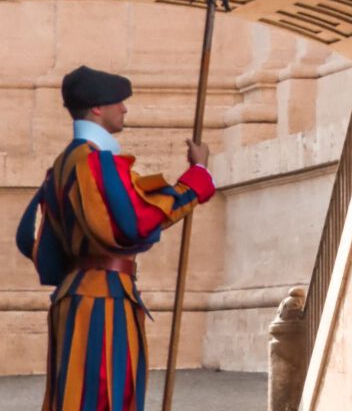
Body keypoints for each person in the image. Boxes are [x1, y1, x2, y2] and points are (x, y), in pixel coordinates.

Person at [16, 64, 216, 411]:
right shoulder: (95, 162)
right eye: (118, 102)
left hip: (75, 293)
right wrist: (195, 179)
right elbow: (132, 223)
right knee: (105, 396)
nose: (124, 109)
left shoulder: (61, 165)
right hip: (102, 300)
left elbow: (31, 236)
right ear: (97, 108)